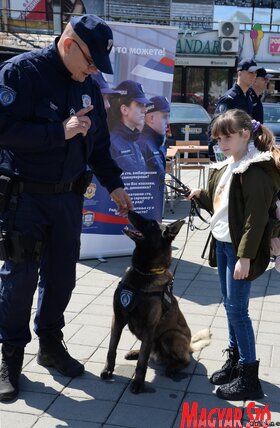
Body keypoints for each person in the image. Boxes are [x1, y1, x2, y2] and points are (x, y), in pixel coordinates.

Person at [0, 14, 133, 402]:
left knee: (61, 277)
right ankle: (9, 358)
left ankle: (51, 346)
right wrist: (59, 131)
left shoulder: (88, 87)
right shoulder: (22, 74)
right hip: (24, 199)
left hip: (68, 201)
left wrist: (116, 185)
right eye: (90, 61)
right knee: (19, 279)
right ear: (69, 43)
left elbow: (99, 148)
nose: (93, 70)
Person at [188, 109, 280, 401]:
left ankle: (249, 377)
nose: (222, 144)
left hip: (241, 250)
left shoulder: (254, 169)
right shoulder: (231, 165)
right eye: (218, 139)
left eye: (227, 137)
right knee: (231, 307)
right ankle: (235, 363)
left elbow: (255, 219)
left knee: (238, 310)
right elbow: (224, 206)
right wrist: (199, 195)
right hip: (226, 246)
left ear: (244, 135)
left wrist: (245, 257)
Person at [209, 58, 259, 160]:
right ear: (239, 73)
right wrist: (215, 155)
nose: (254, 75)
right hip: (227, 152)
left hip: (242, 150)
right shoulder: (230, 98)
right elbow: (215, 126)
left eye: (255, 72)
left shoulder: (248, 97)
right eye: (250, 72)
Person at [108, 80, 149, 172]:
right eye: (139, 105)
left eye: (144, 105)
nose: (144, 110)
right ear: (124, 109)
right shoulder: (111, 143)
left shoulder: (134, 141)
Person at [137, 96, 170, 174]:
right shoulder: (143, 145)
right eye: (165, 117)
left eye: (169, 116)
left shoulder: (157, 142)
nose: (168, 122)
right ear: (151, 118)